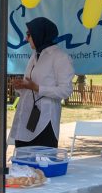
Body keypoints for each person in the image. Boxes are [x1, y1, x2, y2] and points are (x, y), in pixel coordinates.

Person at [9, 17, 73, 148]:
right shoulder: (35, 55)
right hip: (26, 116)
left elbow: (65, 91)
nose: (26, 38)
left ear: (40, 34)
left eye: (29, 34)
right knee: (22, 163)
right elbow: (29, 85)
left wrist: (38, 88)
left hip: (45, 120)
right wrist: (21, 86)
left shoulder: (60, 57)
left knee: (42, 163)